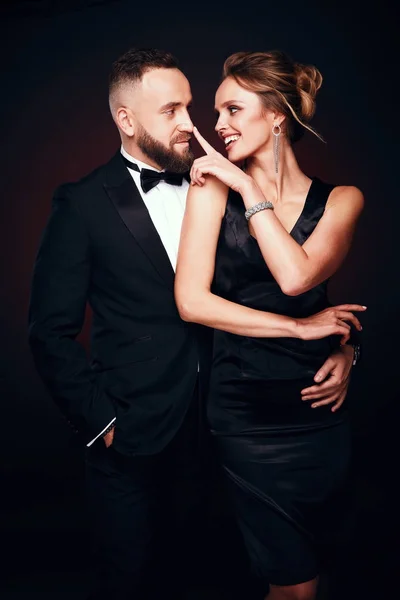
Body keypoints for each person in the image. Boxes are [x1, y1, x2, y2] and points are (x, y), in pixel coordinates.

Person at [28, 48, 363, 600]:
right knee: (133, 577)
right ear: (126, 120)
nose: (193, 124)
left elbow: (300, 290)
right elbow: (49, 330)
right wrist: (100, 421)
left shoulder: (220, 183)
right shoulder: (83, 203)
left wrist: (348, 344)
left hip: (225, 421)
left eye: (192, 106)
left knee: (222, 574)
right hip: (138, 428)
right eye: (173, 110)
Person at [174, 49, 365, 600]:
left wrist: (349, 347)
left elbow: (296, 278)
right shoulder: (209, 188)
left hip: (320, 412)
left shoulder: (343, 200)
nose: (218, 125)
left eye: (233, 109)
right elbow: (191, 302)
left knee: (321, 572)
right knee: (294, 585)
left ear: (277, 115)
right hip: (246, 415)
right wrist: (302, 330)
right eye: (217, 112)